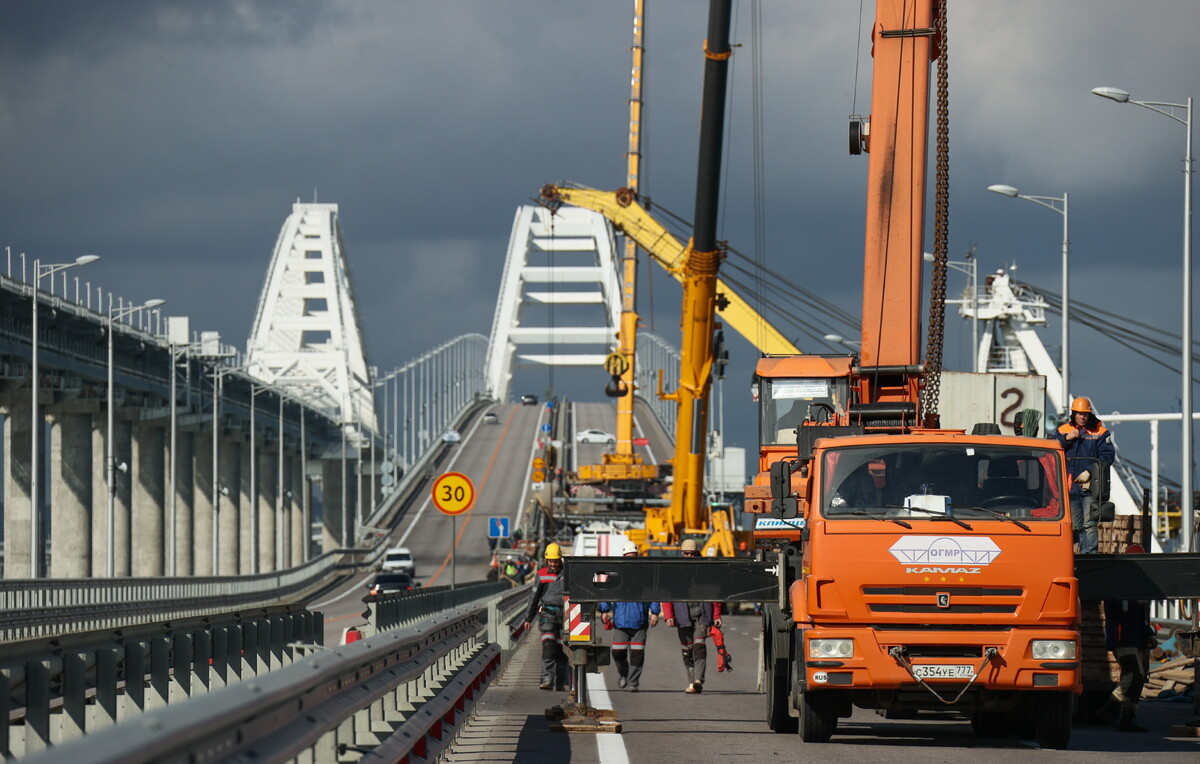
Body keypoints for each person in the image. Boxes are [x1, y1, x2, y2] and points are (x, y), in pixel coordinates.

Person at [1098, 544, 1156, 732]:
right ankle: (1109, 708)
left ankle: (1126, 716)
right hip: (1123, 637)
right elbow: (1121, 610)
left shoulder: (1131, 582)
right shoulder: (1121, 582)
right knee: (1135, 676)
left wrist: (1147, 633)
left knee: (1134, 677)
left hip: (1131, 637)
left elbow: (1136, 616)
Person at [662, 539, 723, 694]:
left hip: (701, 616)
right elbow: (668, 595)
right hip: (682, 618)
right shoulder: (675, 572)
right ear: (682, 553)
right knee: (687, 651)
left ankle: (698, 680)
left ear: (697, 553)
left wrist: (716, 614)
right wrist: (668, 615)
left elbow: (714, 593)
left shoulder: (705, 570)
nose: (689, 556)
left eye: (692, 553)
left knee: (699, 648)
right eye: (686, 553)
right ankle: (691, 681)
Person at [598, 539, 660, 692]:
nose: (631, 558)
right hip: (620, 621)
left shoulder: (645, 576)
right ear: (624, 556)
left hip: (639, 622)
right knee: (618, 653)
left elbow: (653, 593)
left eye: (634, 556)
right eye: (629, 556)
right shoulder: (615, 575)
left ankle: (633, 682)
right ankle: (624, 674)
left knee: (637, 655)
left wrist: (655, 612)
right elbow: (607, 593)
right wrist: (604, 610)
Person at [1055, 397, 1114, 554]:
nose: (1083, 417)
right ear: (1074, 414)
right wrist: (1066, 439)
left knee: (1089, 524)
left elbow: (1107, 456)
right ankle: (1080, 556)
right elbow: (1051, 448)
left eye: (1085, 414)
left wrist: (1090, 471)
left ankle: (1090, 557)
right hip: (1069, 487)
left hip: (1090, 486)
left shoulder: (1100, 432)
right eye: (1080, 414)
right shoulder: (1063, 431)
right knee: (1076, 525)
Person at [522, 542, 570, 690]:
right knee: (548, 645)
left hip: (565, 617)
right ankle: (547, 678)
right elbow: (534, 597)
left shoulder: (567, 574)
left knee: (562, 649)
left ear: (560, 559)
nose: (554, 564)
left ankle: (561, 681)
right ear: (546, 561)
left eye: (556, 561)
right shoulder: (542, 574)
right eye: (551, 561)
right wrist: (528, 618)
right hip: (548, 615)